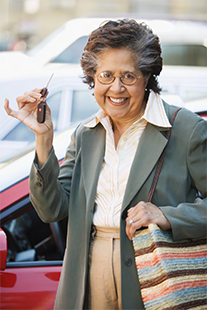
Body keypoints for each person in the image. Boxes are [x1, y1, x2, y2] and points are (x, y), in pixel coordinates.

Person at [4, 19, 207, 310]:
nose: (116, 88)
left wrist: (167, 216)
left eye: (128, 76)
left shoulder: (185, 128)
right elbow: (51, 209)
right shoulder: (85, 134)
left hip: (155, 274)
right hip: (89, 272)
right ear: (93, 78)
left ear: (147, 76)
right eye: (106, 75)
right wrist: (43, 139)